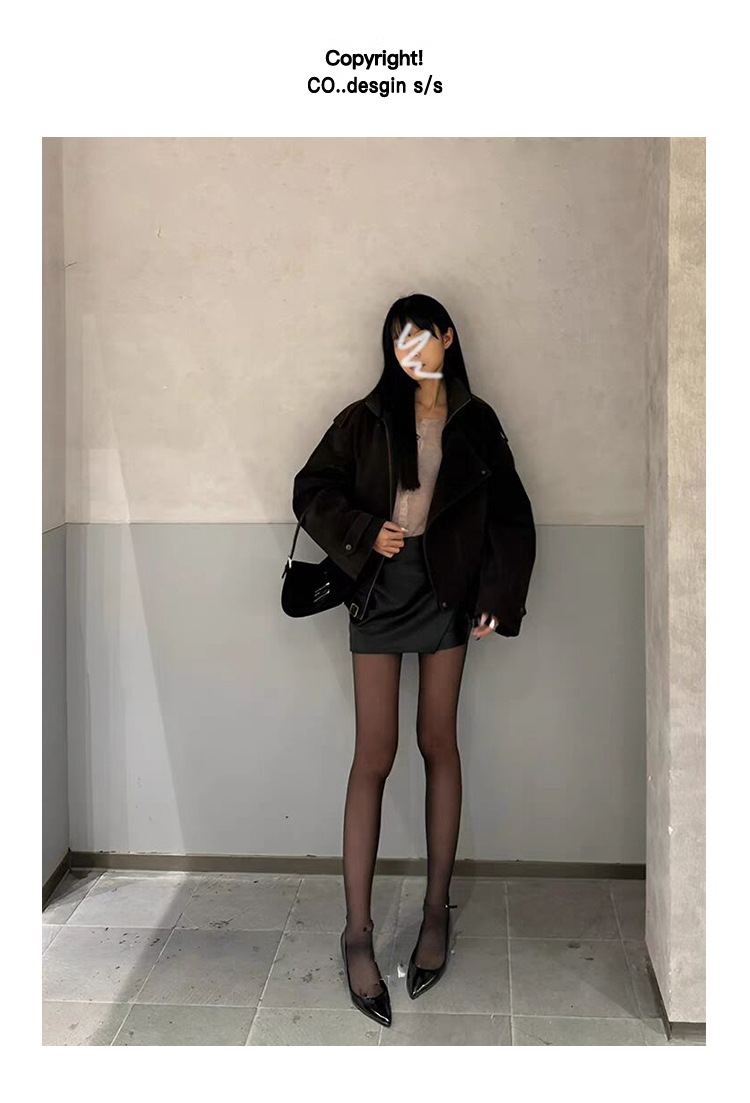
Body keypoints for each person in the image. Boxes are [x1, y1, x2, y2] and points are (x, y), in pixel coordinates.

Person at [292, 293, 536, 1026]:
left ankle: (436, 913)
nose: (408, 352)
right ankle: (356, 932)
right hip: (378, 593)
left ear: (447, 337)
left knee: (438, 743)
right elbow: (311, 489)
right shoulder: (366, 418)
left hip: (446, 594)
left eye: (419, 337)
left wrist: (498, 595)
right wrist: (365, 530)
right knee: (374, 753)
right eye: (397, 341)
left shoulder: (475, 420)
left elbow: (511, 514)